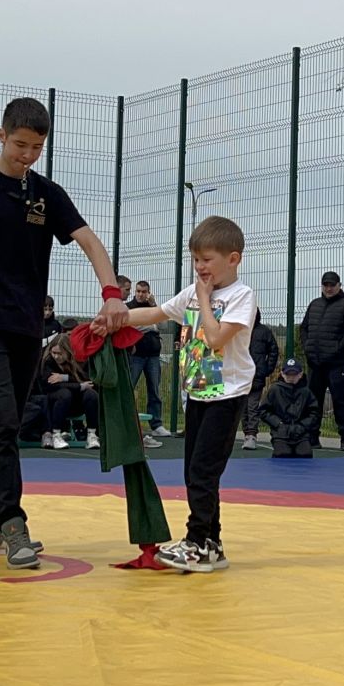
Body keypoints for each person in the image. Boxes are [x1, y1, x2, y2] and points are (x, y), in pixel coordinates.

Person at [0, 98, 127, 568]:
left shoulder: (45, 194)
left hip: (26, 327)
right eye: (20, 145)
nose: (27, 155)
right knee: (0, 421)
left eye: (37, 147)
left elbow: (89, 240)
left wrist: (112, 292)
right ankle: (14, 525)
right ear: (1, 136)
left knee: (8, 425)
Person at [122, 215, 256, 573]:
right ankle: (212, 542)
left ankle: (196, 543)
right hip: (198, 394)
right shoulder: (193, 292)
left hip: (227, 395)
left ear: (233, 258)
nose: (201, 267)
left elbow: (215, 338)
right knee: (193, 472)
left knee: (203, 471)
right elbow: (156, 312)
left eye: (208, 259)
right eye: (196, 260)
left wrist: (203, 299)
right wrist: (117, 318)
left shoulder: (241, 296)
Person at [298, 271, 344, 450]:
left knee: (340, 401)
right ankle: (312, 437)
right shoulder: (314, 305)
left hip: (336, 364)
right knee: (313, 402)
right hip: (315, 364)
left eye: (332, 285)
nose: (329, 288)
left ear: (339, 285)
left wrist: (337, 349)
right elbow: (304, 328)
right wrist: (307, 347)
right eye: (326, 285)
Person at [32, 333, 97, 450]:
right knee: (64, 393)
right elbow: (50, 385)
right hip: (56, 402)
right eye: (54, 353)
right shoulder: (47, 362)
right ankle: (56, 434)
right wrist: (79, 386)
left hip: (76, 403)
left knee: (91, 394)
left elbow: (89, 382)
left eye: (60, 354)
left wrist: (64, 377)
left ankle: (92, 435)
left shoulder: (79, 361)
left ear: (68, 352)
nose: (56, 357)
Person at [124, 278, 166, 432]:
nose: (141, 295)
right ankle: (127, 422)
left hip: (153, 355)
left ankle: (157, 424)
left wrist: (154, 306)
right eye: (138, 291)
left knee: (154, 390)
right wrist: (150, 326)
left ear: (149, 293)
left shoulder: (153, 307)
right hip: (136, 356)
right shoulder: (128, 307)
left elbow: (163, 325)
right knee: (129, 387)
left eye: (144, 292)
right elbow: (130, 326)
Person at [260, 358, 320, 457]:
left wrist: (303, 426)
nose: (291, 377)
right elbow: (263, 411)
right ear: (282, 374)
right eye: (288, 374)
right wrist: (278, 424)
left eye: (294, 374)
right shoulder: (275, 390)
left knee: (305, 454)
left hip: (301, 434)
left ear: (300, 374)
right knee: (283, 453)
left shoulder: (306, 392)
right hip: (281, 434)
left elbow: (314, 413)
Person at [244, 313, 280, 451]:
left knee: (252, 405)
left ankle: (252, 435)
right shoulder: (238, 329)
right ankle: (247, 433)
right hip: (240, 375)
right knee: (242, 407)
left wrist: (267, 368)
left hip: (256, 375)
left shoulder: (264, 332)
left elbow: (273, 350)